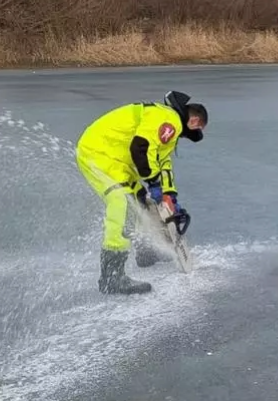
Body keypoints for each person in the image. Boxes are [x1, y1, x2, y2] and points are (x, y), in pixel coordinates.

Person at [75, 90, 208, 294]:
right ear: (195, 120)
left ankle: (145, 251)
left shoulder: (167, 128)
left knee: (140, 202)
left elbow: (162, 163)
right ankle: (112, 277)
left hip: (116, 161)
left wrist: (170, 195)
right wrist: (153, 184)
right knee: (123, 204)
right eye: (199, 127)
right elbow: (140, 148)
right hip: (99, 154)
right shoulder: (169, 119)